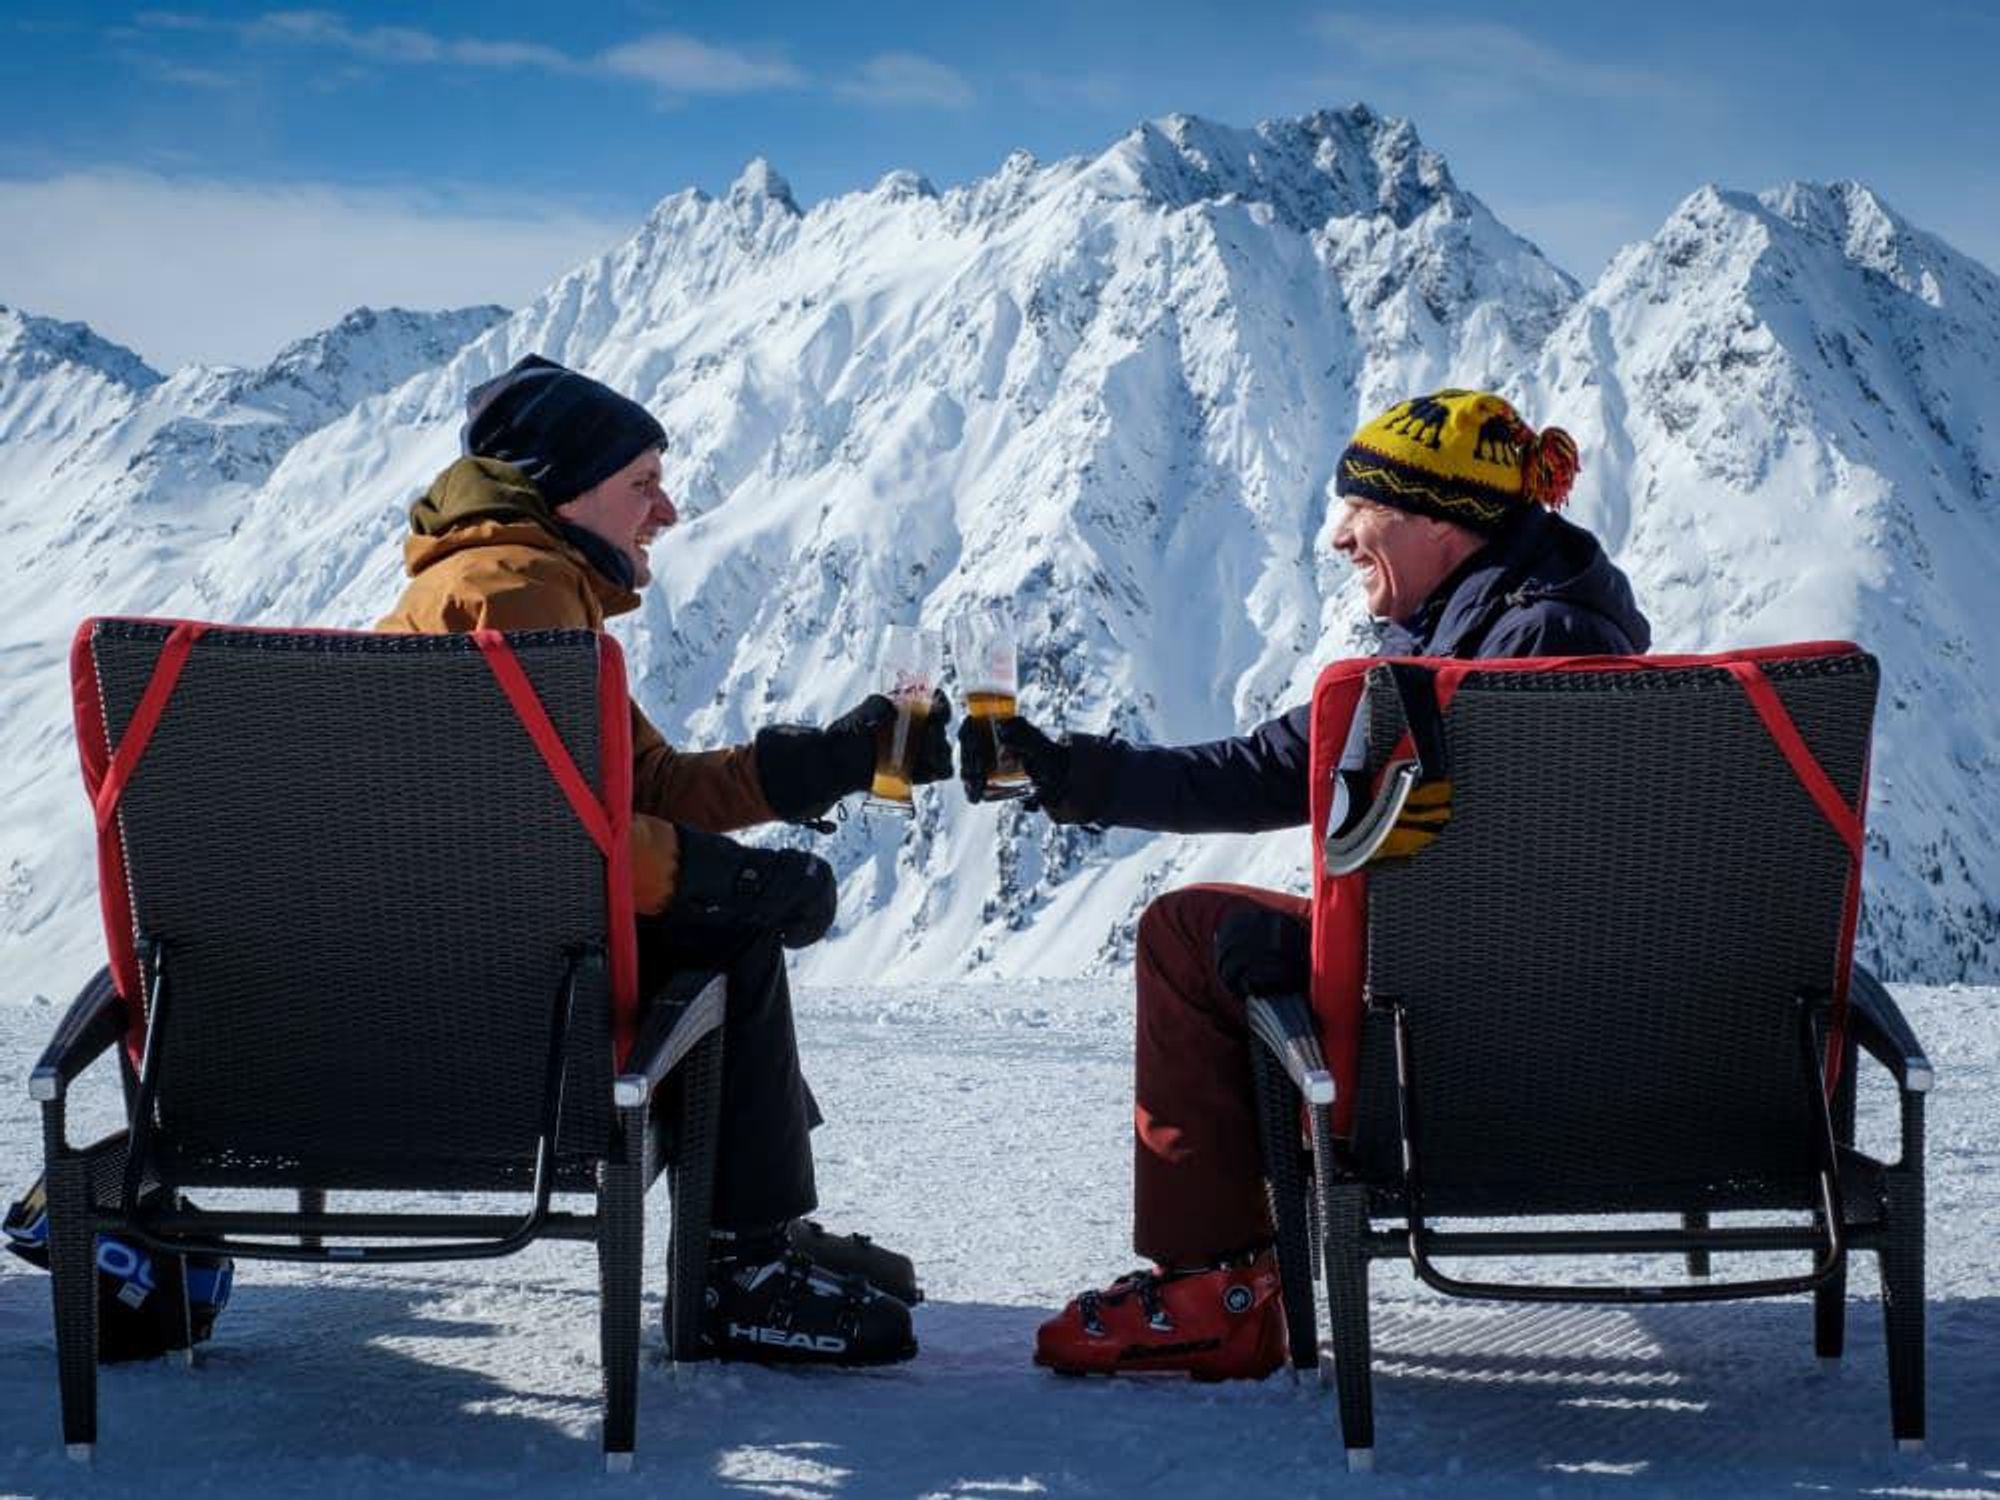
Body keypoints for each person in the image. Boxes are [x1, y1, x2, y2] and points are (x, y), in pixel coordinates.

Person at [960, 389, 1651, 1379]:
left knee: (1192, 934)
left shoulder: (1525, 653)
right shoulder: (1481, 636)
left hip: (1474, 1035)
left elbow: (1511, 895)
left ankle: (1214, 1293)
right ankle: (1221, 1287)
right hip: (1564, 1019)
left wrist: (1312, 953)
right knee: (1211, 930)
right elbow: (1260, 768)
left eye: (1357, 511)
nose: (1334, 537)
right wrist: (1068, 771)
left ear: (1433, 521)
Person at [378, 354, 952, 1367]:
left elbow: (642, 790)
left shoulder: (516, 582)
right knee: (725, 938)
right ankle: (741, 1265)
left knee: (724, 915)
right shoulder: (510, 598)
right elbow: (546, 836)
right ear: (562, 486)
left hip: (439, 988)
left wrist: (826, 761)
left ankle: (750, 1232)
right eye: (643, 482)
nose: (670, 511)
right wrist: (728, 882)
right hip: (496, 1022)